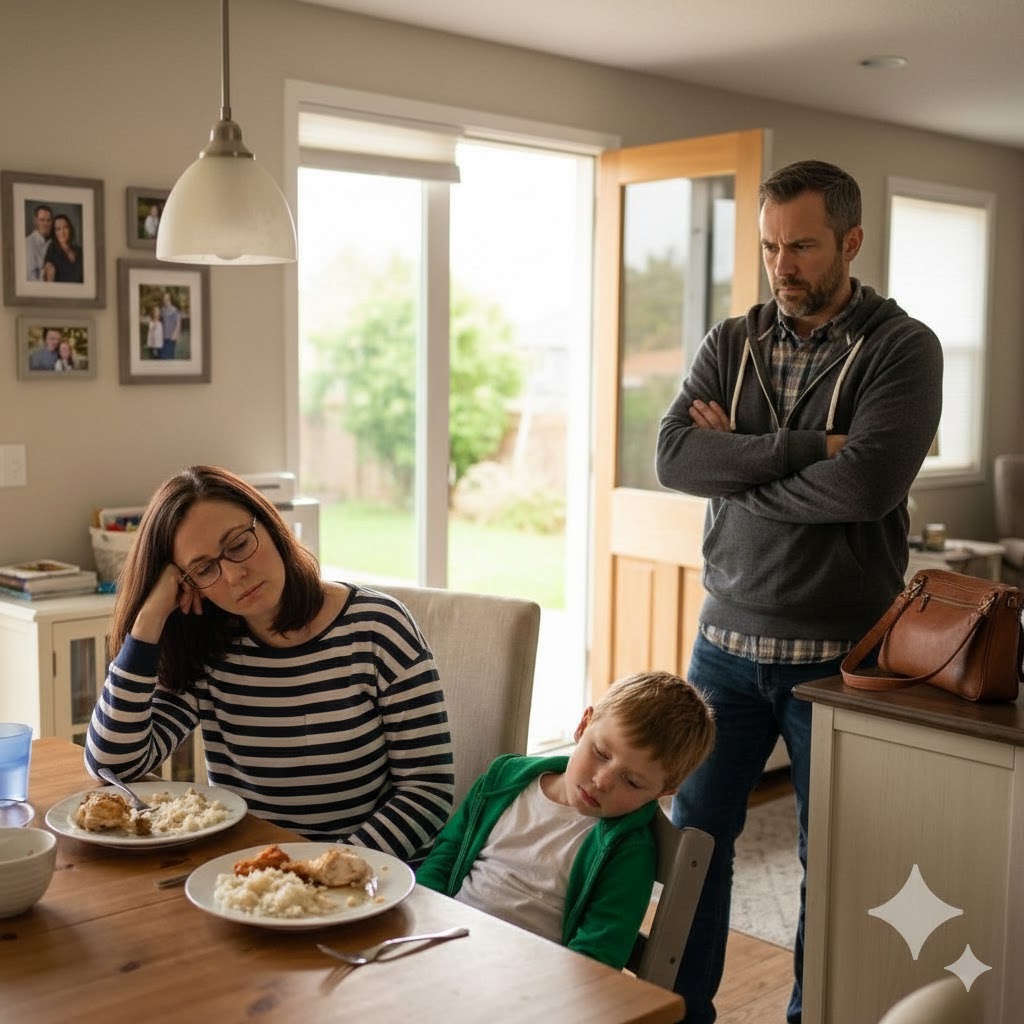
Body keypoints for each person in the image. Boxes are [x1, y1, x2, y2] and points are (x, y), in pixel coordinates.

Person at [655, 160, 943, 1024]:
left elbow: (866, 491)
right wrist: (812, 446)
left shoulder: (902, 349)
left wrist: (737, 462)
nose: (784, 265)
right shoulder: (729, 342)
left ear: (851, 242)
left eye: (804, 246)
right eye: (771, 246)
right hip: (723, 650)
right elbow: (674, 459)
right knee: (693, 844)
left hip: (843, 659)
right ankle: (678, 1013)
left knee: (838, 860)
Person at [84, 465, 455, 861]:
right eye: (205, 568)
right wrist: (148, 621)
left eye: (239, 544)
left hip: (373, 880)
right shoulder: (209, 646)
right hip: (254, 878)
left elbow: (428, 791)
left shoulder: (377, 628)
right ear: (188, 585)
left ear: (270, 525)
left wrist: (322, 871)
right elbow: (113, 765)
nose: (234, 574)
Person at [417, 670, 716, 970]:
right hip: (441, 946)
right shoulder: (505, 779)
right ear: (583, 724)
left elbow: (597, 957)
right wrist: (421, 924)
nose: (602, 781)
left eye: (633, 782)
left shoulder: (629, 852)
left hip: (528, 985)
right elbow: (443, 859)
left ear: (664, 792)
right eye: (600, 752)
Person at [42, 214, 84, 283]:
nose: (62, 232)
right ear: (54, 232)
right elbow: (48, 268)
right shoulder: (52, 248)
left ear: (70, 229)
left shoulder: (80, 250)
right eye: (58, 229)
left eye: (65, 227)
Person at [25, 204, 53, 281]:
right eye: (42, 220)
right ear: (35, 221)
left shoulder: (52, 243)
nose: (45, 224)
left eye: (48, 220)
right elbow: (31, 278)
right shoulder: (28, 243)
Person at [159, 290, 181, 359]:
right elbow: (160, 322)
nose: (165, 300)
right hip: (162, 338)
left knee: (169, 358)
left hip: (171, 338)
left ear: (169, 299)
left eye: (166, 298)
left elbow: (178, 323)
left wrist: (175, 335)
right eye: (164, 298)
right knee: (162, 357)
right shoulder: (162, 310)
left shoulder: (174, 310)